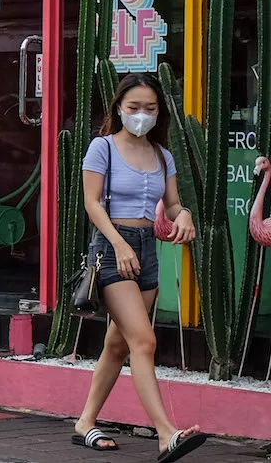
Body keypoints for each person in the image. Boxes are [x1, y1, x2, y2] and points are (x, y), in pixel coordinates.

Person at [72, 72, 207, 462]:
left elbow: (174, 202)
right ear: (119, 108)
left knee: (118, 344)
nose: (141, 115)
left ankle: (85, 422)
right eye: (133, 108)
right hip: (113, 248)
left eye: (150, 108)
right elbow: (92, 203)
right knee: (143, 342)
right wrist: (117, 244)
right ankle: (167, 434)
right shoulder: (103, 148)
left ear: (159, 111)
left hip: (149, 248)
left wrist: (184, 216)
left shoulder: (162, 154)